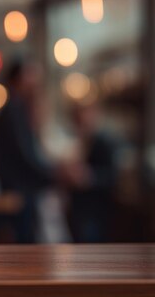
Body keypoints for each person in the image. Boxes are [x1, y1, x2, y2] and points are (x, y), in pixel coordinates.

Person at [0, 62, 53, 243]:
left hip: (20, 189)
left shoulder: (16, 109)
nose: (34, 80)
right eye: (30, 75)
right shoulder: (13, 110)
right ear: (18, 79)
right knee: (24, 243)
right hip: (19, 191)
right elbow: (24, 156)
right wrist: (54, 175)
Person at [61, 103, 117, 243]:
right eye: (78, 120)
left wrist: (89, 176)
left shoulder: (103, 142)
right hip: (77, 208)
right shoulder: (77, 142)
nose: (81, 123)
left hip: (94, 210)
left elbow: (112, 177)